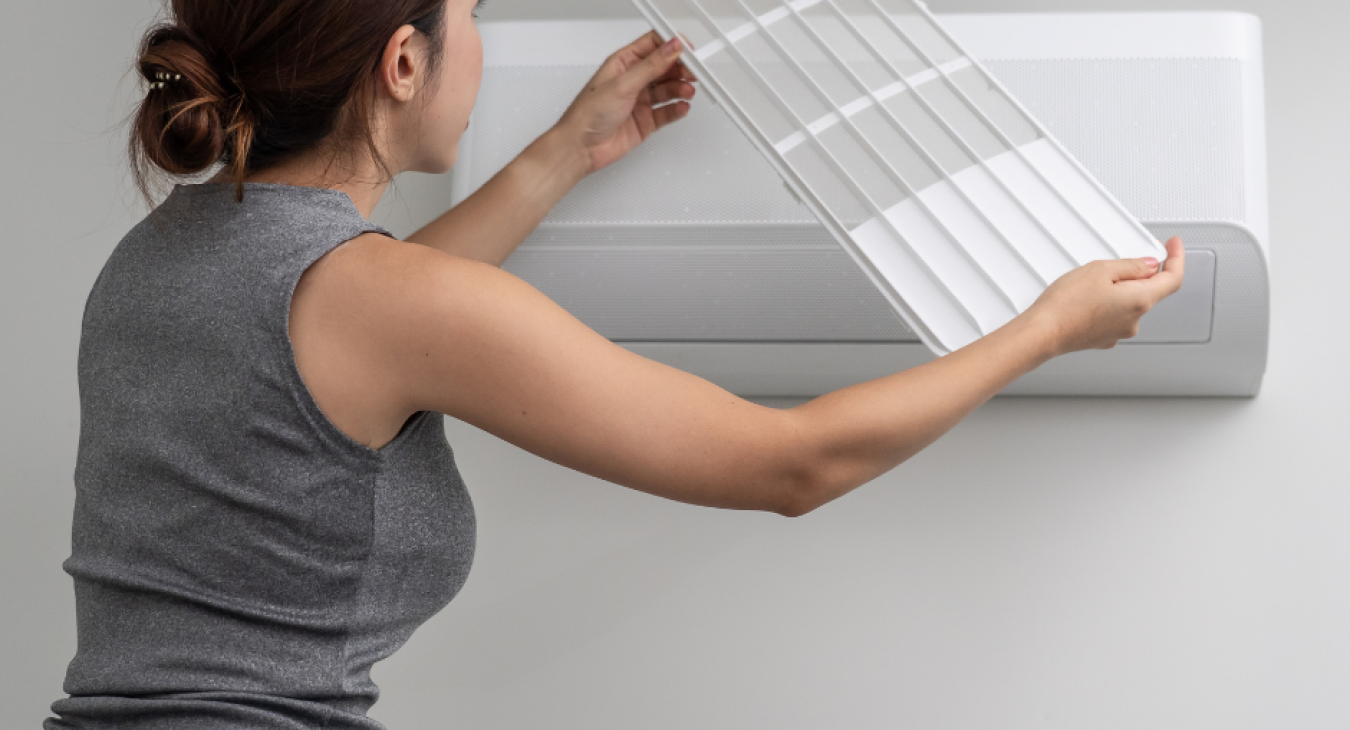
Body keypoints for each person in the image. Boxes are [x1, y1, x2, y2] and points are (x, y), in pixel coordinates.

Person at [47, 0, 1185, 727]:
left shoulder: (154, 264)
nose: (481, 40)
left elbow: (359, 333)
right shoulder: (374, 296)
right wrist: (1046, 326)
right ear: (403, 63)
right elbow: (790, 462)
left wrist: (562, 156)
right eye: (475, 14)